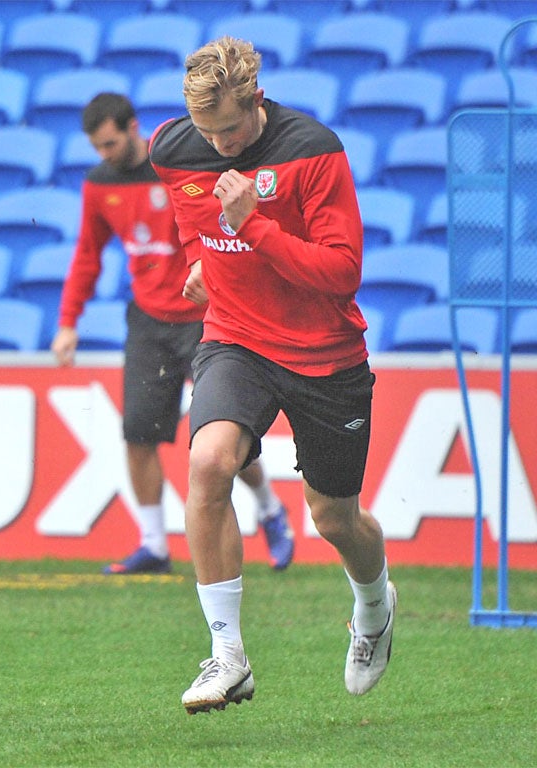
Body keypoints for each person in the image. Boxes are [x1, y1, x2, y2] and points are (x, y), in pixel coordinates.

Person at [148, 37, 396, 714]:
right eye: (207, 133)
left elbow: (343, 272)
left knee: (334, 518)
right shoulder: (173, 149)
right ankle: (228, 655)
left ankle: (374, 606)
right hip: (237, 339)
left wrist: (252, 227)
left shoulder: (313, 151)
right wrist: (204, 263)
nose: (219, 144)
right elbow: (193, 223)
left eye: (230, 129)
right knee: (208, 462)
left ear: (256, 100)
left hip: (326, 357)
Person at [51, 92, 294, 576]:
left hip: (209, 316)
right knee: (138, 433)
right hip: (147, 320)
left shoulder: (180, 166)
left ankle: (270, 510)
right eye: (97, 147)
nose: (105, 155)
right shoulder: (100, 185)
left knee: (222, 438)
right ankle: (154, 544)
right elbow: (87, 255)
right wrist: (67, 322)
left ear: (134, 127)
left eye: (111, 143)